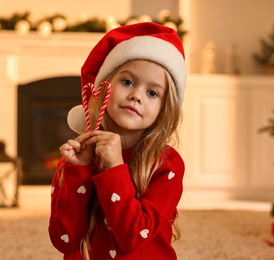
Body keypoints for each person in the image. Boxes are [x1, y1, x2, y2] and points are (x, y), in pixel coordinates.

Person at [48, 22, 186, 260]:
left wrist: (114, 168)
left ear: (165, 109)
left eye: (152, 93)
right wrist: (78, 170)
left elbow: (132, 237)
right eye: (128, 82)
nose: (136, 95)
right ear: (104, 88)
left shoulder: (167, 164)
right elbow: (65, 241)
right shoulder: (79, 155)